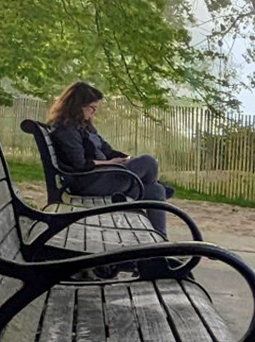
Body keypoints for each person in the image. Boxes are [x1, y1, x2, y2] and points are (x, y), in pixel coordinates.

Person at [43, 81, 175, 235]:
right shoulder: (67, 130)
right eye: (92, 108)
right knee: (148, 162)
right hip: (89, 182)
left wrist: (126, 159)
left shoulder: (85, 127)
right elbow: (80, 164)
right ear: (78, 105)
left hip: (103, 175)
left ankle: (160, 244)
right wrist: (109, 163)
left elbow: (107, 150)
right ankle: (150, 185)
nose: (94, 112)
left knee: (154, 190)